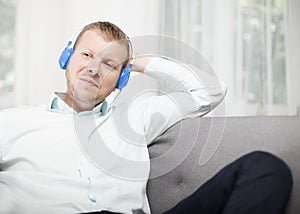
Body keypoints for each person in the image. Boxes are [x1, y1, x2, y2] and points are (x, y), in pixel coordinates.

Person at [0, 21, 292, 214]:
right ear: (67, 57)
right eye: (87, 55)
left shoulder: (137, 117)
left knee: (265, 168)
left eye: (109, 64)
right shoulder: (12, 122)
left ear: (122, 77)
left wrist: (137, 63)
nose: (94, 68)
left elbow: (210, 91)